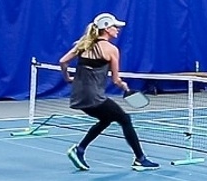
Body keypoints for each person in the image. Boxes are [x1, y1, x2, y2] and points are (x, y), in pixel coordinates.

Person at [59, 12, 159, 172]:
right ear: (106, 28)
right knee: (125, 120)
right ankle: (140, 159)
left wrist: (68, 78)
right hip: (94, 98)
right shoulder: (112, 49)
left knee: (106, 120)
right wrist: (124, 86)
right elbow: (115, 80)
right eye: (115, 27)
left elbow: (63, 61)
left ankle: (80, 150)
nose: (117, 30)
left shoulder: (83, 45)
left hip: (78, 97)